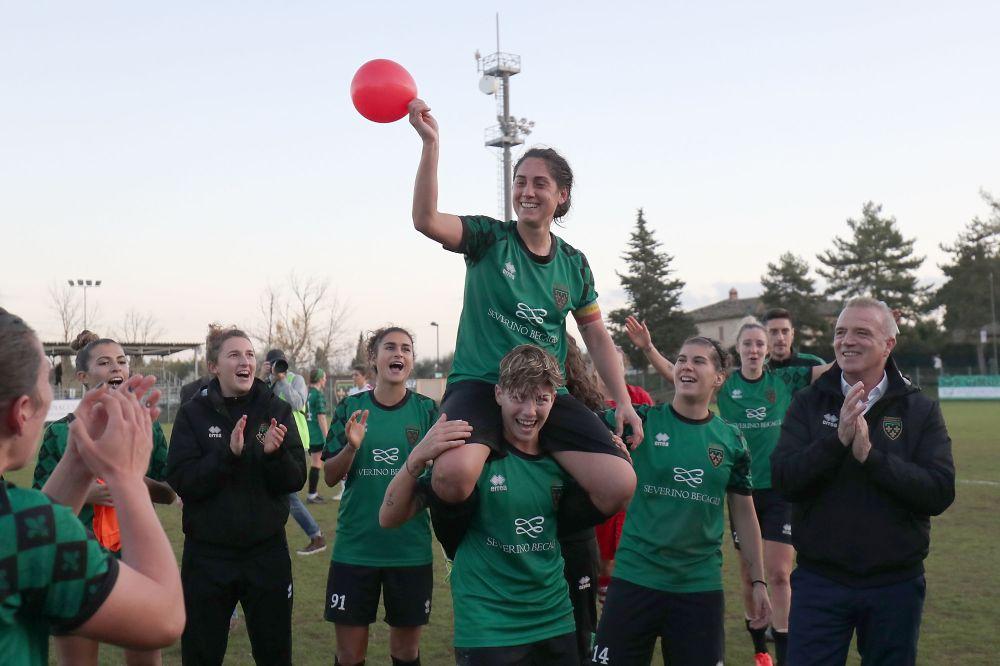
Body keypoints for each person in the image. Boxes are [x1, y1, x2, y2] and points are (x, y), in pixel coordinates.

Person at [406, 98, 638, 542]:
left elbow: (597, 337)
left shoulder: (573, 263)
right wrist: (430, 144)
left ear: (562, 196)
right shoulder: (489, 238)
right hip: (478, 383)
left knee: (618, 483)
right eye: (520, 182)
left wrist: (622, 401)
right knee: (452, 477)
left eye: (540, 184)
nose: (527, 191)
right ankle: (465, 546)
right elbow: (425, 219)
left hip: (545, 394)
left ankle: (542, 535)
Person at [380, 345, 629, 665]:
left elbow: (610, 495)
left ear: (555, 399)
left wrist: (613, 455)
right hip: (488, 629)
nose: (530, 411)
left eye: (541, 399)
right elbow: (388, 516)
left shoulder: (564, 464)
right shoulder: (469, 463)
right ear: (498, 394)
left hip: (555, 620)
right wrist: (417, 457)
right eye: (519, 397)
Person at [771, 297, 955, 665]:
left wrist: (871, 458)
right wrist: (836, 441)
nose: (846, 341)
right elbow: (784, 479)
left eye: (861, 332)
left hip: (895, 585)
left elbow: (939, 492)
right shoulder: (808, 402)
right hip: (820, 581)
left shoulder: (919, 409)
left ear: (889, 344)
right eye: (840, 332)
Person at [0, 309, 184, 664]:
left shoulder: (20, 523)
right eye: (46, 386)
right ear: (21, 413)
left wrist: (80, 460)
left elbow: (35, 533)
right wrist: (126, 477)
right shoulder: (16, 522)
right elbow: (165, 618)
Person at [591, 336, 771, 666]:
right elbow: (574, 423)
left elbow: (744, 515)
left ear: (719, 377)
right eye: (681, 359)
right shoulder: (639, 421)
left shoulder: (731, 441)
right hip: (634, 579)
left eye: (698, 361)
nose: (686, 365)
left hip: (698, 588)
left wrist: (758, 581)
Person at [166, 326, 307, 665]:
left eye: (249, 355)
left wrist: (274, 456)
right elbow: (182, 479)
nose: (245, 361)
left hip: (266, 555)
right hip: (207, 557)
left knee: (274, 654)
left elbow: (295, 479)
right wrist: (227, 455)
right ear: (213, 366)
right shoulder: (192, 413)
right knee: (201, 654)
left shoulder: (276, 410)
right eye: (234, 355)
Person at [322, 327, 441, 666]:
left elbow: (439, 482)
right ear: (373, 358)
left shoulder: (427, 411)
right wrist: (351, 446)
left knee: (406, 654)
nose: (398, 354)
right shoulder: (352, 407)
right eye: (389, 347)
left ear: (412, 361)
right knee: (349, 655)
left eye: (406, 348)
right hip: (356, 548)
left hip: (409, 551)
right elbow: (330, 476)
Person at [715, 318, 830, 666]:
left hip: (780, 490)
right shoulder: (724, 384)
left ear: (766, 351)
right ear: (739, 349)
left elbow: (828, 370)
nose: (753, 349)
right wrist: (646, 349)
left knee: (780, 574)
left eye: (759, 344)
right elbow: (678, 372)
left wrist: (872, 343)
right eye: (748, 343)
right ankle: (760, 652)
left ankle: (785, 655)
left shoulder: (784, 380)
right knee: (752, 576)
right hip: (741, 493)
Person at [559, 336, 606, 664]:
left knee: (582, 633)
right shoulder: (519, 407)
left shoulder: (587, 412)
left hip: (576, 541)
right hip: (529, 542)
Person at [264, 348, 327, 556]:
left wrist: (281, 380)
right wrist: (264, 378)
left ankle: (316, 535)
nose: (277, 367)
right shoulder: (265, 382)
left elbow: (298, 403)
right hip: (270, 441)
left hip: (294, 442)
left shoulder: (296, 379)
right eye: (274, 364)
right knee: (276, 493)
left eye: (280, 363)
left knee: (288, 494)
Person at [306, 367, 330, 503]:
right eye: (324, 377)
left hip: (308, 432)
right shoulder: (318, 394)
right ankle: (311, 495)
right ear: (320, 379)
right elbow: (321, 417)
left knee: (315, 462)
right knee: (316, 463)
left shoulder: (307, 393)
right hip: (316, 434)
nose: (325, 380)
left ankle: (313, 493)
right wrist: (327, 436)